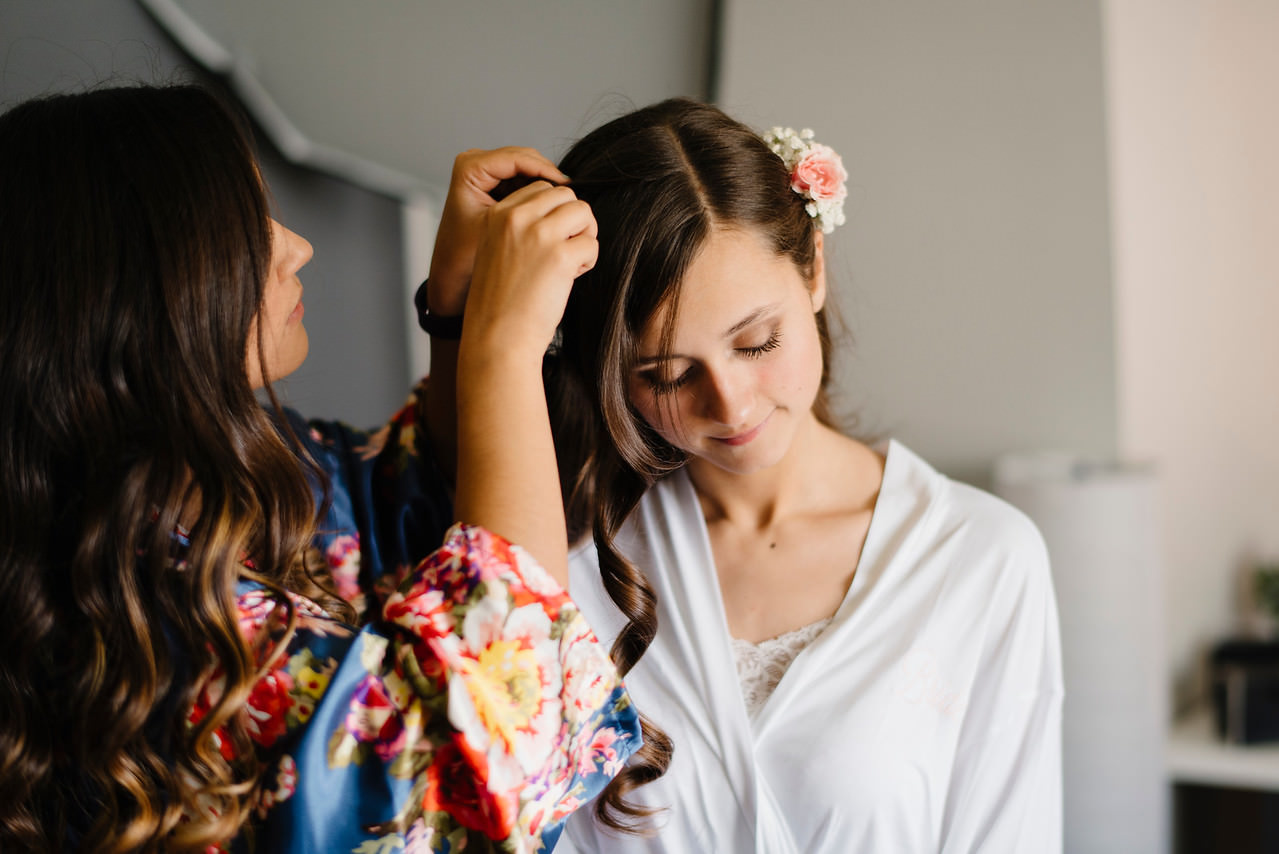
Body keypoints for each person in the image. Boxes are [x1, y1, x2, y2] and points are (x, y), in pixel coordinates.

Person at [0, 83, 640, 853]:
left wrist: (458, 317)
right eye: (243, 228)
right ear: (136, 293)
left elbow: (401, 508)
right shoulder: (126, 604)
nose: (295, 246)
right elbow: (478, 753)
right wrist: (506, 349)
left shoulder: (218, 472)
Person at [533, 99, 1065, 852]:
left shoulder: (980, 556)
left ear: (812, 266)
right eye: (666, 372)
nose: (730, 402)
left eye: (756, 342)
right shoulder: (576, 555)